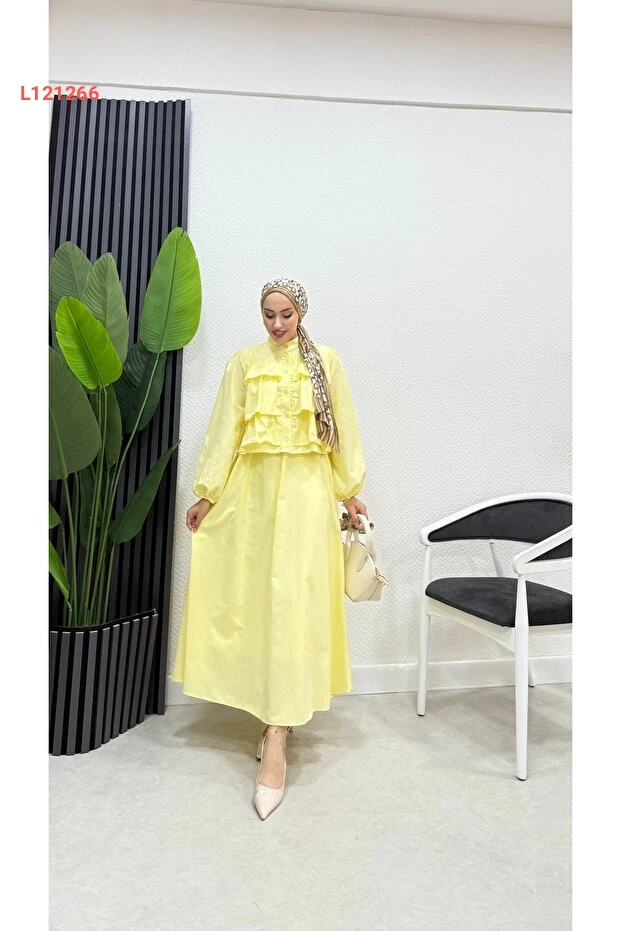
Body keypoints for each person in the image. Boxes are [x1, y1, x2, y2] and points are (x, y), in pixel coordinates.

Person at [171, 277, 368, 819]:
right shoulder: (243, 363)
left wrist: (349, 491)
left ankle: (277, 735)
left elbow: (343, 430)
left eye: (285, 314)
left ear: (301, 312)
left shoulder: (326, 362)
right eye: (268, 315)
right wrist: (208, 495)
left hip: (307, 495)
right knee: (255, 600)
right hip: (252, 495)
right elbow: (224, 432)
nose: (277, 324)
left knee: (294, 604)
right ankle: (272, 720)